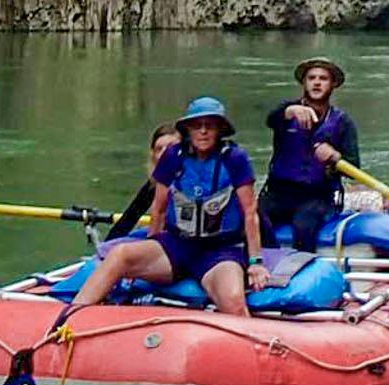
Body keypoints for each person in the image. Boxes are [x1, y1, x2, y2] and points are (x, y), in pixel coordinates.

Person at [63, 98, 272, 318]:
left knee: (233, 299)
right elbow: (159, 209)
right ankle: (70, 318)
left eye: (209, 126)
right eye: (197, 126)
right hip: (177, 244)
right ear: (188, 129)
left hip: (220, 250)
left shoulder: (235, 159)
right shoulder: (174, 156)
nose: (203, 131)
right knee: (121, 254)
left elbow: (250, 213)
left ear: (220, 129)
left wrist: (255, 262)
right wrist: (151, 245)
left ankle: (249, 336)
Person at [263, 57, 361, 252]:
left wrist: (335, 157)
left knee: (303, 225)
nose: (317, 83)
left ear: (332, 84)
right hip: (279, 192)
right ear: (304, 83)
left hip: (318, 196)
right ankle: (265, 261)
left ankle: (303, 265)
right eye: (312, 78)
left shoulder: (343, 122)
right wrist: (289, 111)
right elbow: (271, 120)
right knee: (254, 217)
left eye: (323, 79)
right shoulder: (285, 112)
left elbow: (354, 168)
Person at [106, 122, 182, 238]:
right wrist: (106, 245)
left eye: (171, 147)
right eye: (159, 149)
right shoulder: (153, 185)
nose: (164, 153)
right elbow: (129, 219)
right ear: (153, 155)